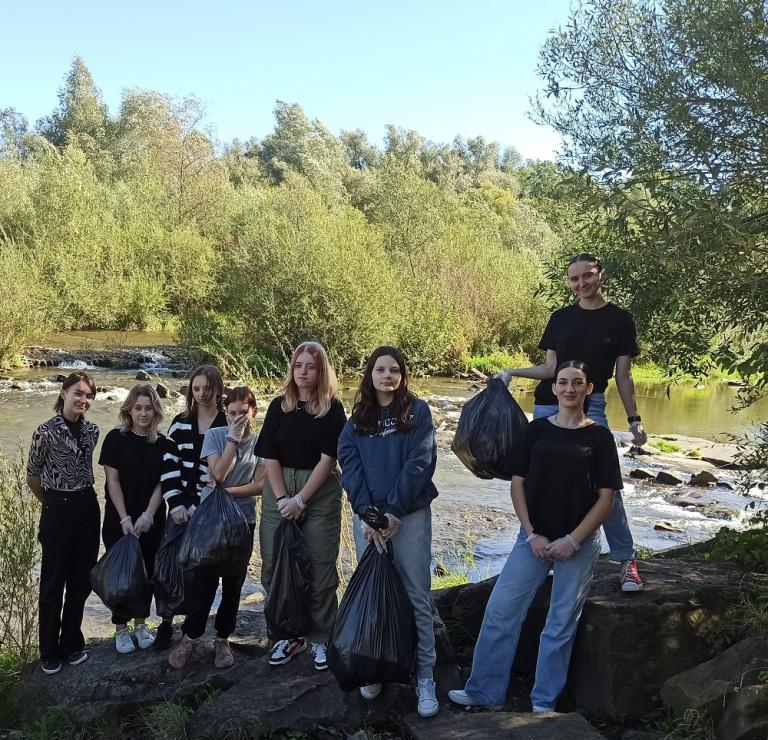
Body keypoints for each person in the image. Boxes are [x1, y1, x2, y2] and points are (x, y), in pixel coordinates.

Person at [449, 360, 620, 712]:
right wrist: (531, 535)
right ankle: (484, 692)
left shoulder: (599, 436)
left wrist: (572, 540)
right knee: (501, 611)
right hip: (533, 540)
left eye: (577, 383)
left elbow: (607, 498)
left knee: (559, 623)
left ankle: (543, 702)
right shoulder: (536, 430)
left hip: (579, 543)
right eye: (562, 382)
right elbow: (517, 485)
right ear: (553, 388)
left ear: (588, 389)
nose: (569, 389)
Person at [497, 252, 647, 591]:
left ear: (601, 275)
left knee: (606, 487)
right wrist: (510, 372)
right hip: (548, 407)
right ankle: (536, 550)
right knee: (539, 483)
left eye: (587, 276)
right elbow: (551, 370)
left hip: (590, 406)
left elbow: (623, 376)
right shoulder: (560, 318)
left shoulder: (620, 319)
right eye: (574, 279)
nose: (581, 284)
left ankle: (626, 561)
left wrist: (634, 419)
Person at [337, 346, 440, 718]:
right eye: (381, 370)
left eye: (395, 370)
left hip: (408, 515)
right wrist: (367, 515)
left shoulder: (418, 412)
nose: (388, 376)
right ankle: (373, 665)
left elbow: (421, 461)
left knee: (416, 594)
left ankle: (425, 675)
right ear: (370, 375)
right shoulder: (355, 421)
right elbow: (350, 468)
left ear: (403, 375)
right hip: (368, 522)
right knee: (372, 590)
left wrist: (393, 512)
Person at [256, 342, 347, 671]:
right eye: (299, 365)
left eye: (311, 366)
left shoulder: (332, 409)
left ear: (321, 370)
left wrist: (301, 500)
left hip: (318, 492)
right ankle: (287, 634)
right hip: (277, 488)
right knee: (274, 564)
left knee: (320, 566)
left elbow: (329, 459)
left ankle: (321, 637)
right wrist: (282, 499)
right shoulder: (279, 406)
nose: (304, 371)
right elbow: (269, 456)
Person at [168, 386, 265, 670]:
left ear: (253, 411)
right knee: (202, 581)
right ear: (225, 412)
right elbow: (217, 472)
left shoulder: (260, 443)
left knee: (233, 584)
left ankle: (223, 639)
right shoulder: (214, 436)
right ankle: (190, 637)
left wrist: (227, 492)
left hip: (242, 522)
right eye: (232, 413)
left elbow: (259, 485)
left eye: (243, 413)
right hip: (209, 522)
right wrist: (232, 440)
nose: (237, 418)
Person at [99, 384, 183, 654]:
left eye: (148, 408)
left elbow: (164, 482)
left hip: (152, 519)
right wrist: (125, 519)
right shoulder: (115, 439)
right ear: (129, 411)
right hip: (118, 519)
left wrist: (148, 514)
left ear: (156, 411)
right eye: (138, 408)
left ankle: (141, 624)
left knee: (146, 573)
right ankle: (121, 629)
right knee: (121, 576)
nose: (143, 413)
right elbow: (112, 481)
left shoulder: (164, 444)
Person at [27, 372, 101, 675]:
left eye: (88, 395)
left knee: (81, 580)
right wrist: (53, 505)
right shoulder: (45, 431)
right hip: (58, 506)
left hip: (87, 506)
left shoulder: (92, 430)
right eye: (78, 393)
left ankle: (72, 643)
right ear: (64, 393)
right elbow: (32, 476)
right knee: (53, 580)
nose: (83, 399)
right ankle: (49, 650)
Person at [160, 365, 227, 649]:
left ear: (217, 389)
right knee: (169, 566)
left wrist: (198, 507)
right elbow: (168, 464)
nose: (201, 394)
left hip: (208, 509)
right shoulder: (180, 422)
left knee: (200, 568)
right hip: (178, 506)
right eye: (196, 389)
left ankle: (192, 626)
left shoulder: (225, 424)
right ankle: (165, 622)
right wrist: (175, 504)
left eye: (207, 388)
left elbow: (220, 473)